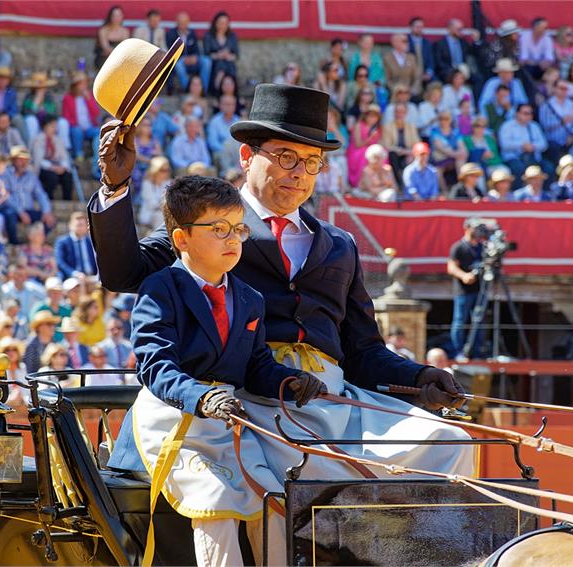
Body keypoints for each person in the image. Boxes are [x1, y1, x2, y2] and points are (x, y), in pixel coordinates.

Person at [91, 86, 472, 549]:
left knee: (446, 440)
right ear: (247, 156)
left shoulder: (340, 243)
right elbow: (124, 271)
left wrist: (420, 377)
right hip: (251, 397)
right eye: (287, 157)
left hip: (331, 400)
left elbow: (364, 352)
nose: (300, 174)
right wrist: (114, 189)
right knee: (306, 467)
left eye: (312, 162)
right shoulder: (209, 222)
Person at [116, 175, 326, 565]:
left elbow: (257, 366)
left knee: (275, 504)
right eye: (218, 229)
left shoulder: (250, 298)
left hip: (226, 420)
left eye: (238, 228)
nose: (233, 239)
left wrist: (290, 381)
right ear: (181, 239)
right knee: (217, 504)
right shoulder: (161, 288)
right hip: (173, 418)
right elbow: (156, 367)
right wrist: (202, 398)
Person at [447, 219, 485, 358]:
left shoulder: (483, 247)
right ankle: (458, 352)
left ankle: (477, 352)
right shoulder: (458, 247)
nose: (478, 232)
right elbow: (451, 267)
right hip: (463, 290)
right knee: (459, 320)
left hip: (480, 290)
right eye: (475, 228)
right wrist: (464, 276)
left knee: (479, 320)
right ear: (467, 228)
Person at [2, 146, 55, 229]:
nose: (24, 163)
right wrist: (20, 212)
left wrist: (46, 211)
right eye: (20, 159)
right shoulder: (5, 174)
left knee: (50, 221)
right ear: (13, 160)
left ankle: (36, 240)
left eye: (26, 160)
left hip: (28, 211)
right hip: (11, 210)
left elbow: (40, 194)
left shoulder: (31, 176)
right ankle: (14, 242)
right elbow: (6, 197)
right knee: (10, 215)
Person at [498, 104, 551, 181]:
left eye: (530, 113)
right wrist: (522, 145)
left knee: (548, 168)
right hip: (514, 158)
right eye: (526, 113)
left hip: (533, 158)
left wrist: (533, 146)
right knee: (518, 169)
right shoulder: (507, 126)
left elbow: (544, 144)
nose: (529, 116)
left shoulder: (534, 126)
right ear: (517, 114)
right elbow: (504, 144)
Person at [30, 115, 73, 201]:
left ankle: (67, 199)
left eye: (55, 126)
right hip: (44, 168)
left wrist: (63, 167)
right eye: (52, 126)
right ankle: (48, 198)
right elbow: (38, 160)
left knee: (67, 176)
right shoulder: (38, 139)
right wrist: (52, 167)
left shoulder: (57, 140)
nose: (54, 129)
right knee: (52, 177)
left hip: (57, 166)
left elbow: (63, 157)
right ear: (45, 126)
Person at [167, 11, 212, 93]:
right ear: (176, 23)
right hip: (180, 60)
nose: (183, 25)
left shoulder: (191, 32)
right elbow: (171, 52)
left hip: (192, 60)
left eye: (185, 23)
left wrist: (194, 57)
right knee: (178, 65)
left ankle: (203, 90)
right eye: (180, 23)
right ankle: (188, 89)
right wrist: (184, 59)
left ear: (188, 23)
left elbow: (197, 49)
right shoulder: (171, 34)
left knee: (207, 61)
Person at [62, 72, 102, 162]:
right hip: (76, 128)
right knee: (77, 131)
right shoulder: (67, 98)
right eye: (81, 84)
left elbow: (96, 113)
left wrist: (89, 100)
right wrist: (78, 126)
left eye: (85, 83)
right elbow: (66, 117)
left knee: (99, 132)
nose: (84, 86)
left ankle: (98, 156)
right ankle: (78, 154)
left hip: (89, 128)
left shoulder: (89, 96)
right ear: (75, 86)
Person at [382, 102, 420, 189]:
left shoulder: (411, 126)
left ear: (406, 113)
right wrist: (402, 151)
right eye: (397, 112)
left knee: (417, 157)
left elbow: (417, 144)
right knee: (392, 155)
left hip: (408, 154)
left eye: (402, 112)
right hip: (395, 154)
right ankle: (399, 185)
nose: (399, 114)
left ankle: (412, 186)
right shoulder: (387, 126)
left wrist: (410, 153)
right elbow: (387, 145)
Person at [21, 71, 64, 143]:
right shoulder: (29, 97)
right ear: (33, 88)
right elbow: (27, 113)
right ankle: (32, 145)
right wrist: (36, 102)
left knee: (63, 122)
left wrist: (48, 121)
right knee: (31, 120)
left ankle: (64, 148)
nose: (41, 89)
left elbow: (54, 113)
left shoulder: (49, 97)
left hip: (48, 122)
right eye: (38, 88)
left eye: (43, 87)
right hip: (35, 122)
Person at [346, 104, 383, 187]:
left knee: (382, 154)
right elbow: (358, 144)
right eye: (370, 116)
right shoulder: (359, 125)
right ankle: (359, 183)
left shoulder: (378, 128)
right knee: (365, 154)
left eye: (375, 116)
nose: (372, 119)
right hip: (356, 151)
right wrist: (370, 137)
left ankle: (377, 182)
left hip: (370, 150)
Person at [203, 11, 239, 95]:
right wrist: (218, 55)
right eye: (220, 23)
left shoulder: (232, 36)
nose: (223, 25)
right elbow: (206, 54)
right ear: (215, 23)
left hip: (228, 62)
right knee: (221, 64)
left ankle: (223, 90)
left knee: (228, 64)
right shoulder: (209, 36)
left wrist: (228, 56)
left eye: (225, 23)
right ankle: (222, 89)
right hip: (214, 64)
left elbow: (236, 55)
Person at [434, 18, 476, 84]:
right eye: (458, 29)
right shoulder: (440, 44)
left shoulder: (464, 43)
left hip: (464, 71)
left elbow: (473, 53)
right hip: (448, 71)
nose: (461, 32)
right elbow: (439, 62)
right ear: (450, 29)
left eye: (462, 29)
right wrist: (453, 70)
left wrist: (476, 40)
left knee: (478, 78)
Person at [55, 212, 96, 280]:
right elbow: (60, 262)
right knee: (76, 286)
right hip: (71, 277)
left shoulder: (91, 242)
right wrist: (74, 273)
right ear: (70, 226)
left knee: (109, 286)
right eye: (78, 225)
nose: (80, 227)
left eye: (82, 225)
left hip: (92, 277)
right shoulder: (62, 242)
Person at [207, 95, 239, 174]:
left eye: (232, 104)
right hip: (220, 151)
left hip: (236, 151)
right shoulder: (214, 121)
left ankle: (238, 174)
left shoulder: (238, 120)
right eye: (227, 104)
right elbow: (213, 143)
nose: (230, 107)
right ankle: (229, 175)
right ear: (221, 105)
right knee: (227, 145)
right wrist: (226, 149)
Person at [138, 156, 172, 227]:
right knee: (159, 216)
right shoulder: (147, 184)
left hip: (163, 212)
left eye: (167, 170)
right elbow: (152, 204)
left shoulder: (169, 183)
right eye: (162, 170)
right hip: (150, 213)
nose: (165, 173)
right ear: (155, 170)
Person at [94, 5, 129, 70]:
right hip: (104, 60)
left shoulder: (125, 31)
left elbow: (125, 50)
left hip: (120, 60)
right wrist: (118, 52)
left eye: (119, 15)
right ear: (110, 16)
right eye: (114, 16)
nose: (117, 18)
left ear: (122, 17)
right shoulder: (103, 30)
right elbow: (106, 48)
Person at [407, 17, 434, 85]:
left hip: (424, 74)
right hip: (410, 74)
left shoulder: (427, 43)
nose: (419, 29)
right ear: (411, 27)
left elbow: (430, 60)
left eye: (421, 27)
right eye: (417, 27)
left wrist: (429, 73)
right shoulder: (405, 41)